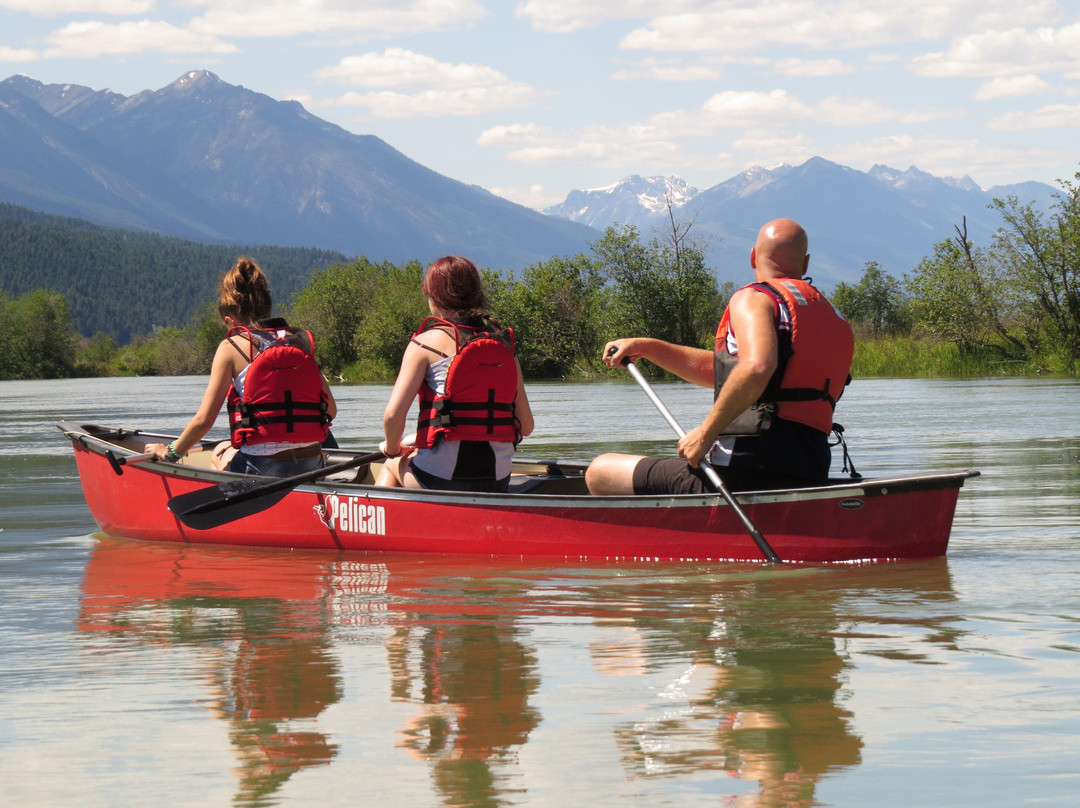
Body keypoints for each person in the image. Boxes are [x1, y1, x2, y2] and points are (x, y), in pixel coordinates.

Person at [586, 218, 853, 495]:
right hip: (811, 469)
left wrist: (705, 433)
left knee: (600, 471)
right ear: (806, 263)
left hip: (745, 471)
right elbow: (734, 375)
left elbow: (757, 367)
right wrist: (649, 347)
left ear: (752, 256)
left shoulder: (754, 298)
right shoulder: (832, 316)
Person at [145, 257, 337, 477]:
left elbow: (203, 421)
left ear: (230, 319)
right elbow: (330, 410)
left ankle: (232, 505)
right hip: (310, 462)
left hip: (262, 466)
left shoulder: (232, 346)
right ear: (267, 308)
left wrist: (169, 453)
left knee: (219, 451)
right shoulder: (299, 343)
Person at [377, 255, 534, 492]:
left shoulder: (424, 344)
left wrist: (393, 449)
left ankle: (392, 526)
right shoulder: (504, 349)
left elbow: (392, 417)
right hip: (497, 480)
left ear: (437, 298)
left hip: (440, 479)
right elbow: (527, 426)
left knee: (390, 464)